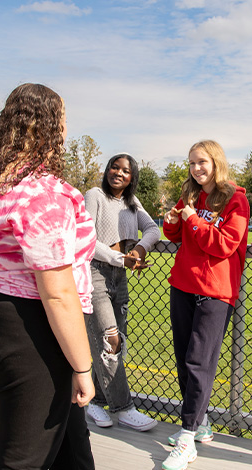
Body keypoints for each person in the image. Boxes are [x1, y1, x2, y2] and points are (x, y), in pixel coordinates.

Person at [0, 83, 96, 470]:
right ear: (51, 125)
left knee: (71, 442)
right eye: (64, 119)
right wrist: (83, 368)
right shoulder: (41, 194)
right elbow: (58, 293)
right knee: (26, 457)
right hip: (32, 323)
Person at [161, 140, 249, 470]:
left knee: (200, 361)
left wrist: (193, 220)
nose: (197, 168)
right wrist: (174, 218)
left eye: (203, 162)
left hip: (215, 290)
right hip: (183, 284)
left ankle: (187, 438)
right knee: (185, 358)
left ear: (216, 163)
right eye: (192, 163)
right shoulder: (191, 197)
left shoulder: (235, 198)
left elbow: (225, 244)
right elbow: (175, 236)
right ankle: (201, 423)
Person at [83, 153, 160, 431]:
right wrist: (120, 259)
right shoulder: (94, 195)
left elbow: (153, 229)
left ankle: (94, 401)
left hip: (120, 278)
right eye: (114, 167)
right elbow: (86, 239)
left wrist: (138, 250)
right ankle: (124, 408)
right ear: (107, 170)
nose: (119, 173)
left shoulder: (131, 203)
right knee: (109, 339)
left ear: (132, 177)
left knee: (115, 344)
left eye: (126, 170)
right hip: (96, 273)